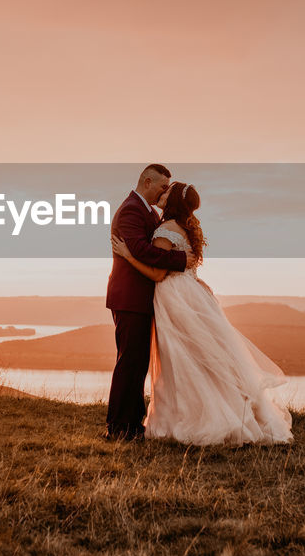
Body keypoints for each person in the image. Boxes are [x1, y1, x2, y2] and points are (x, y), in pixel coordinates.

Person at [110, 180, 293, 446]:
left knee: (181, 360)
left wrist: (128, 254)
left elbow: (158, 272)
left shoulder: (165, 229)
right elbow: (184, 264)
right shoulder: (184, 227)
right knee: (200, 359)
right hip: (190, 295)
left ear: (172, 202)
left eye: (167, 191)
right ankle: (220, 411)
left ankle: (193, 418)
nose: (163, 192)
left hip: (174, 297)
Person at [103, 164, 196, 441]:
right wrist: (180, 261)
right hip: (129, 298)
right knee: (129, 363)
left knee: (137, 364)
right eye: (162, 187)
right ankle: (118, 428)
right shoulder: (132, 209)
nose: (164, 192)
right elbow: (141, 250)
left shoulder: (148, 211)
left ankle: (132, 425)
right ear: (147, 181)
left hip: (140, 299)